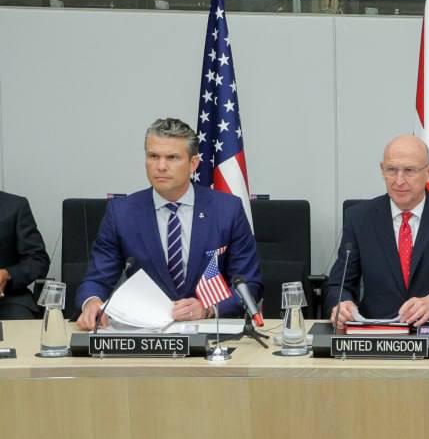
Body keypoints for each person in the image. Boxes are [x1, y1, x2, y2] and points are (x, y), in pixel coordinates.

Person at [75, 118, 263, 329]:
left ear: (193, 163)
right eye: (153, 156)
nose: (161, 166)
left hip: (208, 329)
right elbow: (97, 279)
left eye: (172, 157)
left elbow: (249, 284)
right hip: (144, 330)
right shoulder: (121, 213)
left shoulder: (227, 210)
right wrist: (91, 302)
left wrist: (208, 308)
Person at [326, 135, 429, 325]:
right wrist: (342, 304)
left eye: (409, 170)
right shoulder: (359, 218)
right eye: (391, 170)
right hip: (375, 331)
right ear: (382, 170)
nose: (399, 181)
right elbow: (339, 284)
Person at [0, 191, 51, 319]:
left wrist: (8, 274)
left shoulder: (15, 206)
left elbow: (38, 260)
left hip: (8, 300)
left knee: (20, 325)